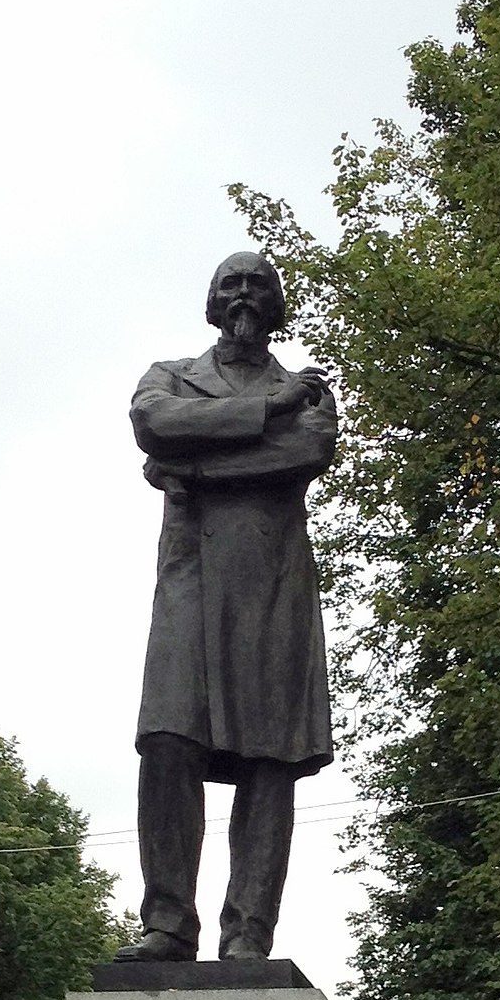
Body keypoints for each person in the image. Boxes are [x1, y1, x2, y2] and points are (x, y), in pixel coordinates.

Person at [117, 252, 337, 962]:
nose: (244, 295)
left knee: (269, 756)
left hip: (272, 583)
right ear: (211, 302)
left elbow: (303, 455)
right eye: (230, 285)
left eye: (258, 285)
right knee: (167, 739)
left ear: (277, 304)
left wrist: (194, 467)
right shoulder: (172, 376)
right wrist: (263, 412)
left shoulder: (310, 393)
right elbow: (154, 423)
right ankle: (169, 922)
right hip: (189, 580)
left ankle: (248, 931)